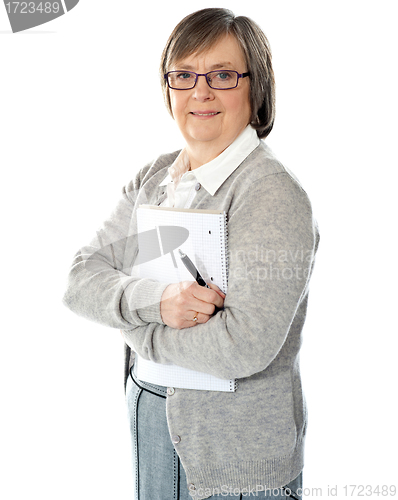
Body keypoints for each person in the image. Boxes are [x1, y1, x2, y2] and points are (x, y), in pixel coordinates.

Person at [63, 8, 320, 500]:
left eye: (222, 75)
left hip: (237, 460)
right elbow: (80, 281)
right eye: (183, 75)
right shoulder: (155, 179)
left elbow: (244, 346)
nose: (200, 92)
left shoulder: (269, 194)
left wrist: (139, 334)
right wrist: (157, 303)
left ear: (256, 87)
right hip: (152, 422)